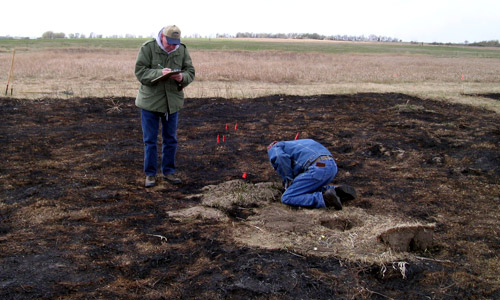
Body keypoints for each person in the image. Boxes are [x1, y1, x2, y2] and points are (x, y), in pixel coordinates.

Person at [135, 25, 195, 187]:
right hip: (150, 103)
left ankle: (169, 172)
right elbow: (140, 72)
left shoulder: (181, 50)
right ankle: (150, 174)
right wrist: (158, 73)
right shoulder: (148, 48)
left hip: (172, 103)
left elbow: (191, 72)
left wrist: (182, 77)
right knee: (150, 140)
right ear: (162, 37)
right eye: (169, 42)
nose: (173, 46)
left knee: (171, 140)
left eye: (176, 42)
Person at [267, 139, 356, 209]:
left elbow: (280, 158)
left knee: (287, 197)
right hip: (329, 165)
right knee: (309, 187)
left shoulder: (275, 147)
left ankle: (325, 198)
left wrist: (288, 180)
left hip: (317, 168)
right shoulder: (301, 143)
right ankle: (336, 191)